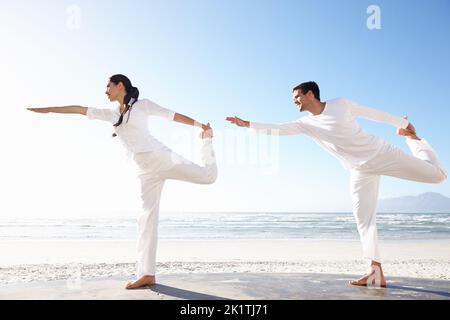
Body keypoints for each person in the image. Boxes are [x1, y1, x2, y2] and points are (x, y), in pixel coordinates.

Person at [226, 81, 447, 287]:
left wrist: (404, 125)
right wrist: (247, 124)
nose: (294, 101)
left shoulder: (341, 104)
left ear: (310, 93)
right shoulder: (305, 124)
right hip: (359, 170)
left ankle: (414, 141)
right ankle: (375, 270)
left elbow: (373, 114)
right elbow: (279, 128)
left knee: (437, 176)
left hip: (381, 153)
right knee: (363, 218)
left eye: (296, 96)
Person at [28, 74, 218, 289]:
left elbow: (171, 115)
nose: (105, 90)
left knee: (208, 177)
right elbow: (81, 109)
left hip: (160, 157)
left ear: (121, 86)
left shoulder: (143, 106)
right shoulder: (112, 114)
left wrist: (201, 126)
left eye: (108, 86)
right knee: (146, 220)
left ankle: (208, 141)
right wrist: (48, 110)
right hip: (145, 170)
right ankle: (147, 273)